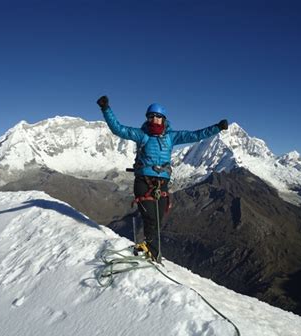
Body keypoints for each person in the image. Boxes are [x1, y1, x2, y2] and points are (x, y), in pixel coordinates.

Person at [97, 95, 228, 262]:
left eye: (157, 116)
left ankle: (152, 251)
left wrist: (217, 128)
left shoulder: (171, 137)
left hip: (162, 185)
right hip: (144, 182)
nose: (154, 119)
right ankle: (152, 252)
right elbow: (118, 129)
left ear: (163, 119)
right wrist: (105, 109)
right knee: (150, 217)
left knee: (157, 220)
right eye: (151, 116)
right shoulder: (141, 135)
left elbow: (195, 135)